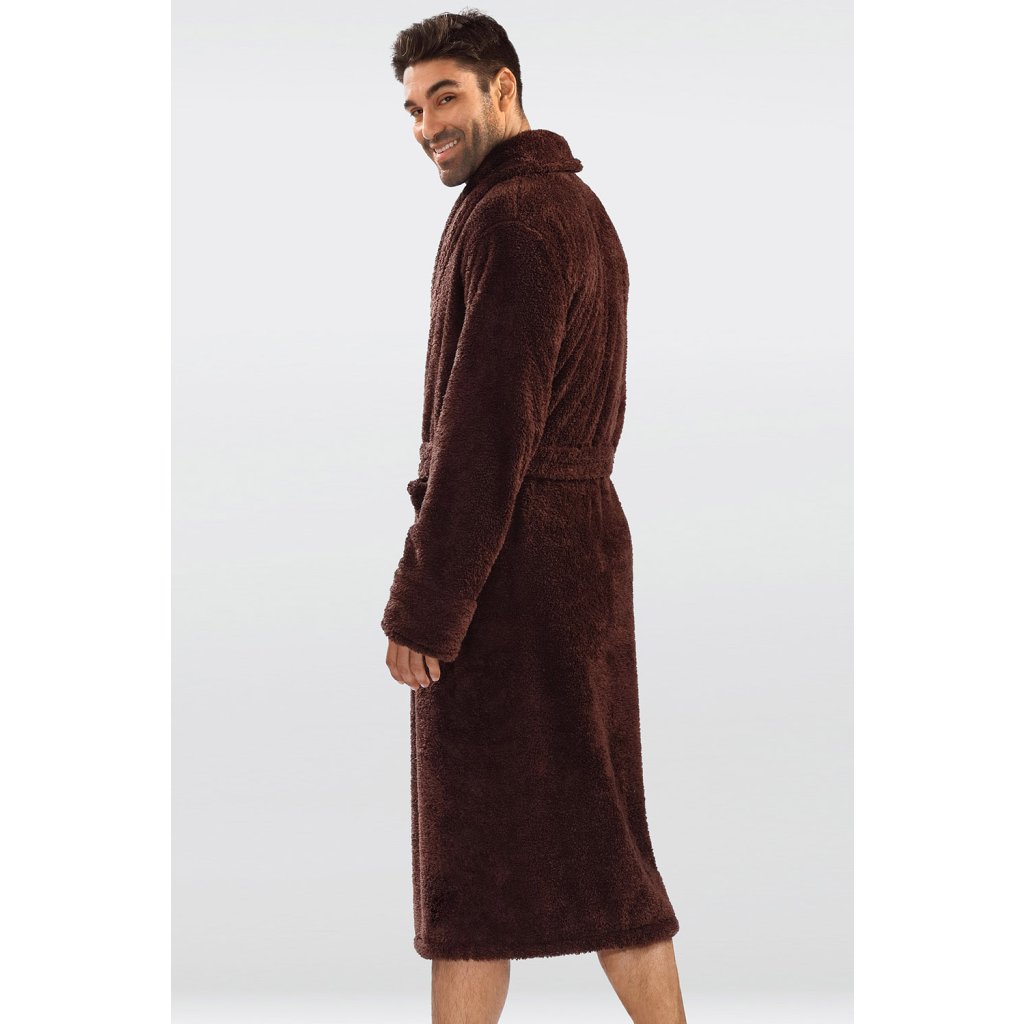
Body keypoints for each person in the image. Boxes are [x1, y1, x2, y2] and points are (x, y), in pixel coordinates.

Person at [382, 10, 689, 1023]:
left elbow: (485, 431)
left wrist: (427, 606)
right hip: (574, 557)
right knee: (601, 850)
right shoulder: (570, 207)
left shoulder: (513, 217)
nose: (428, 124)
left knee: (473, 878)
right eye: (413, 108)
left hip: (508, 575)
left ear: (504, 88)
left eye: (446, 97)